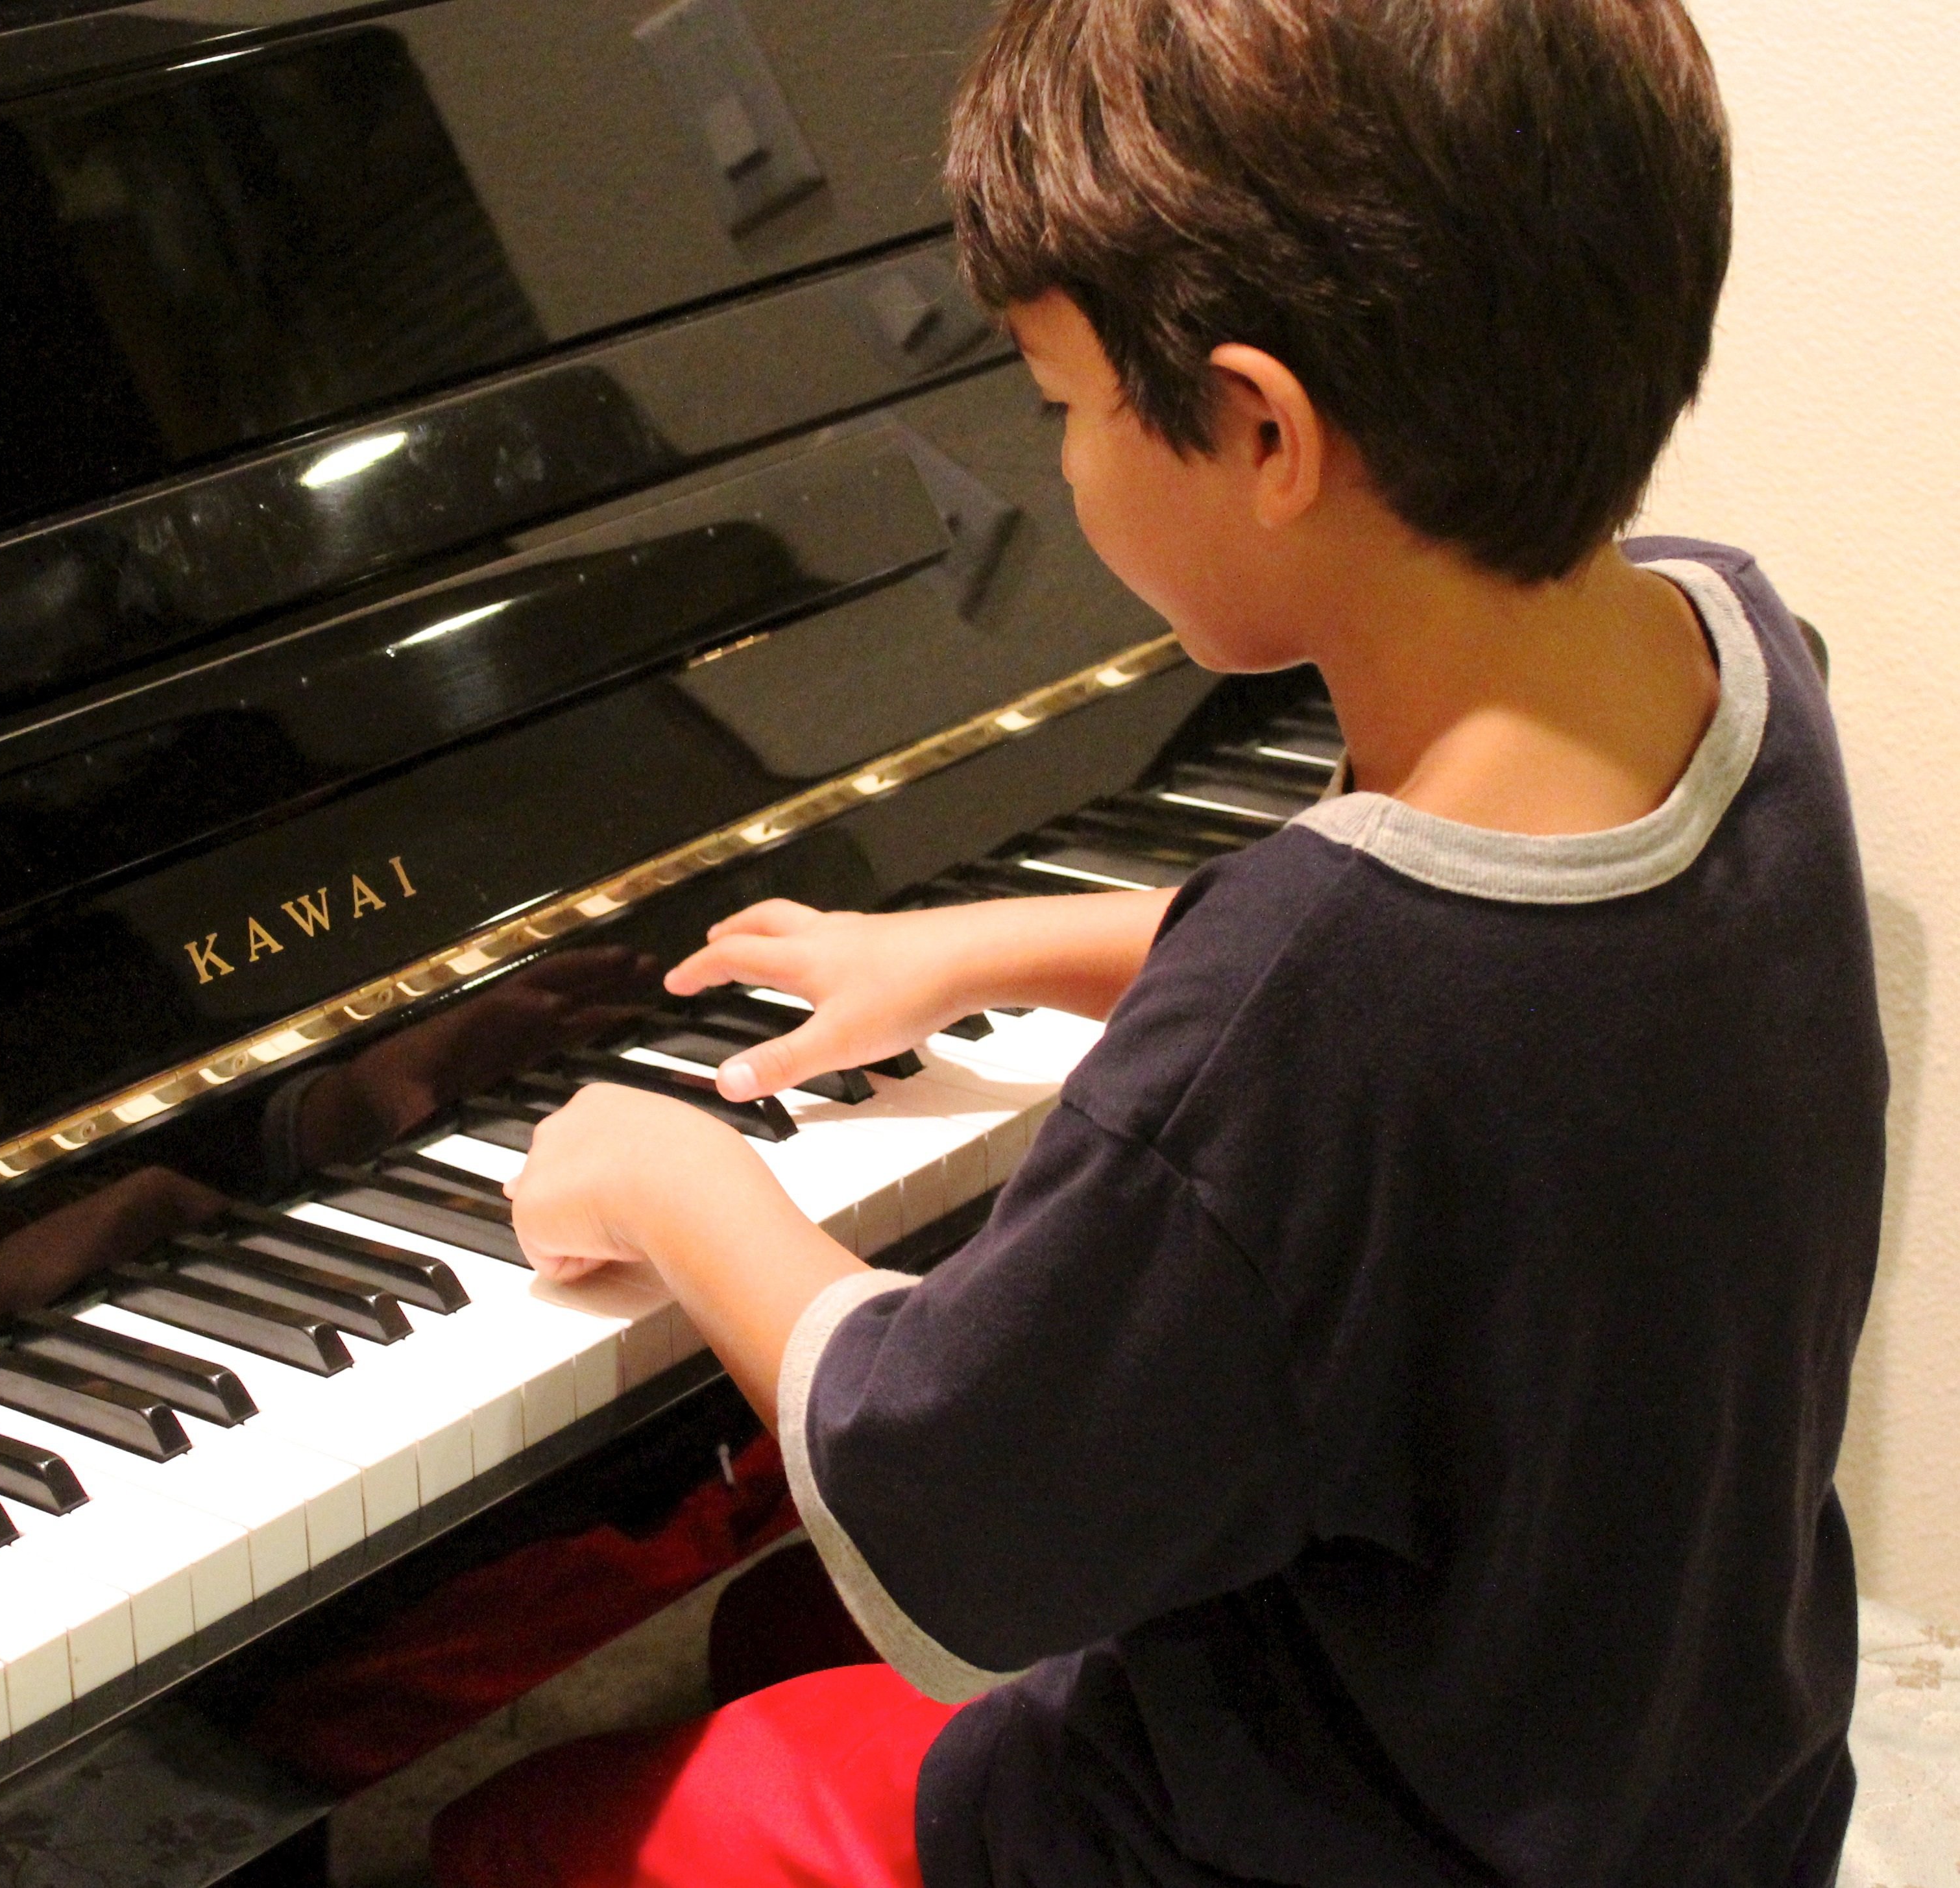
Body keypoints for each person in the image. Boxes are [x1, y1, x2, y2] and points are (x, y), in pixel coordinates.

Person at [434, 0, 1885, 1882]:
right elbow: (1478, 1007)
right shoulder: (1729, 649)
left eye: (1056, 404)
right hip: (1685, 1784)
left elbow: (950, 1513)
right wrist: (993, 943)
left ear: (1264, 430)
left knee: (526, 1833)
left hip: (1322, 1843)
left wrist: (675, 1176)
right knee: (760, 1642)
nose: (1057, 463)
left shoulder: (1315, 1003)